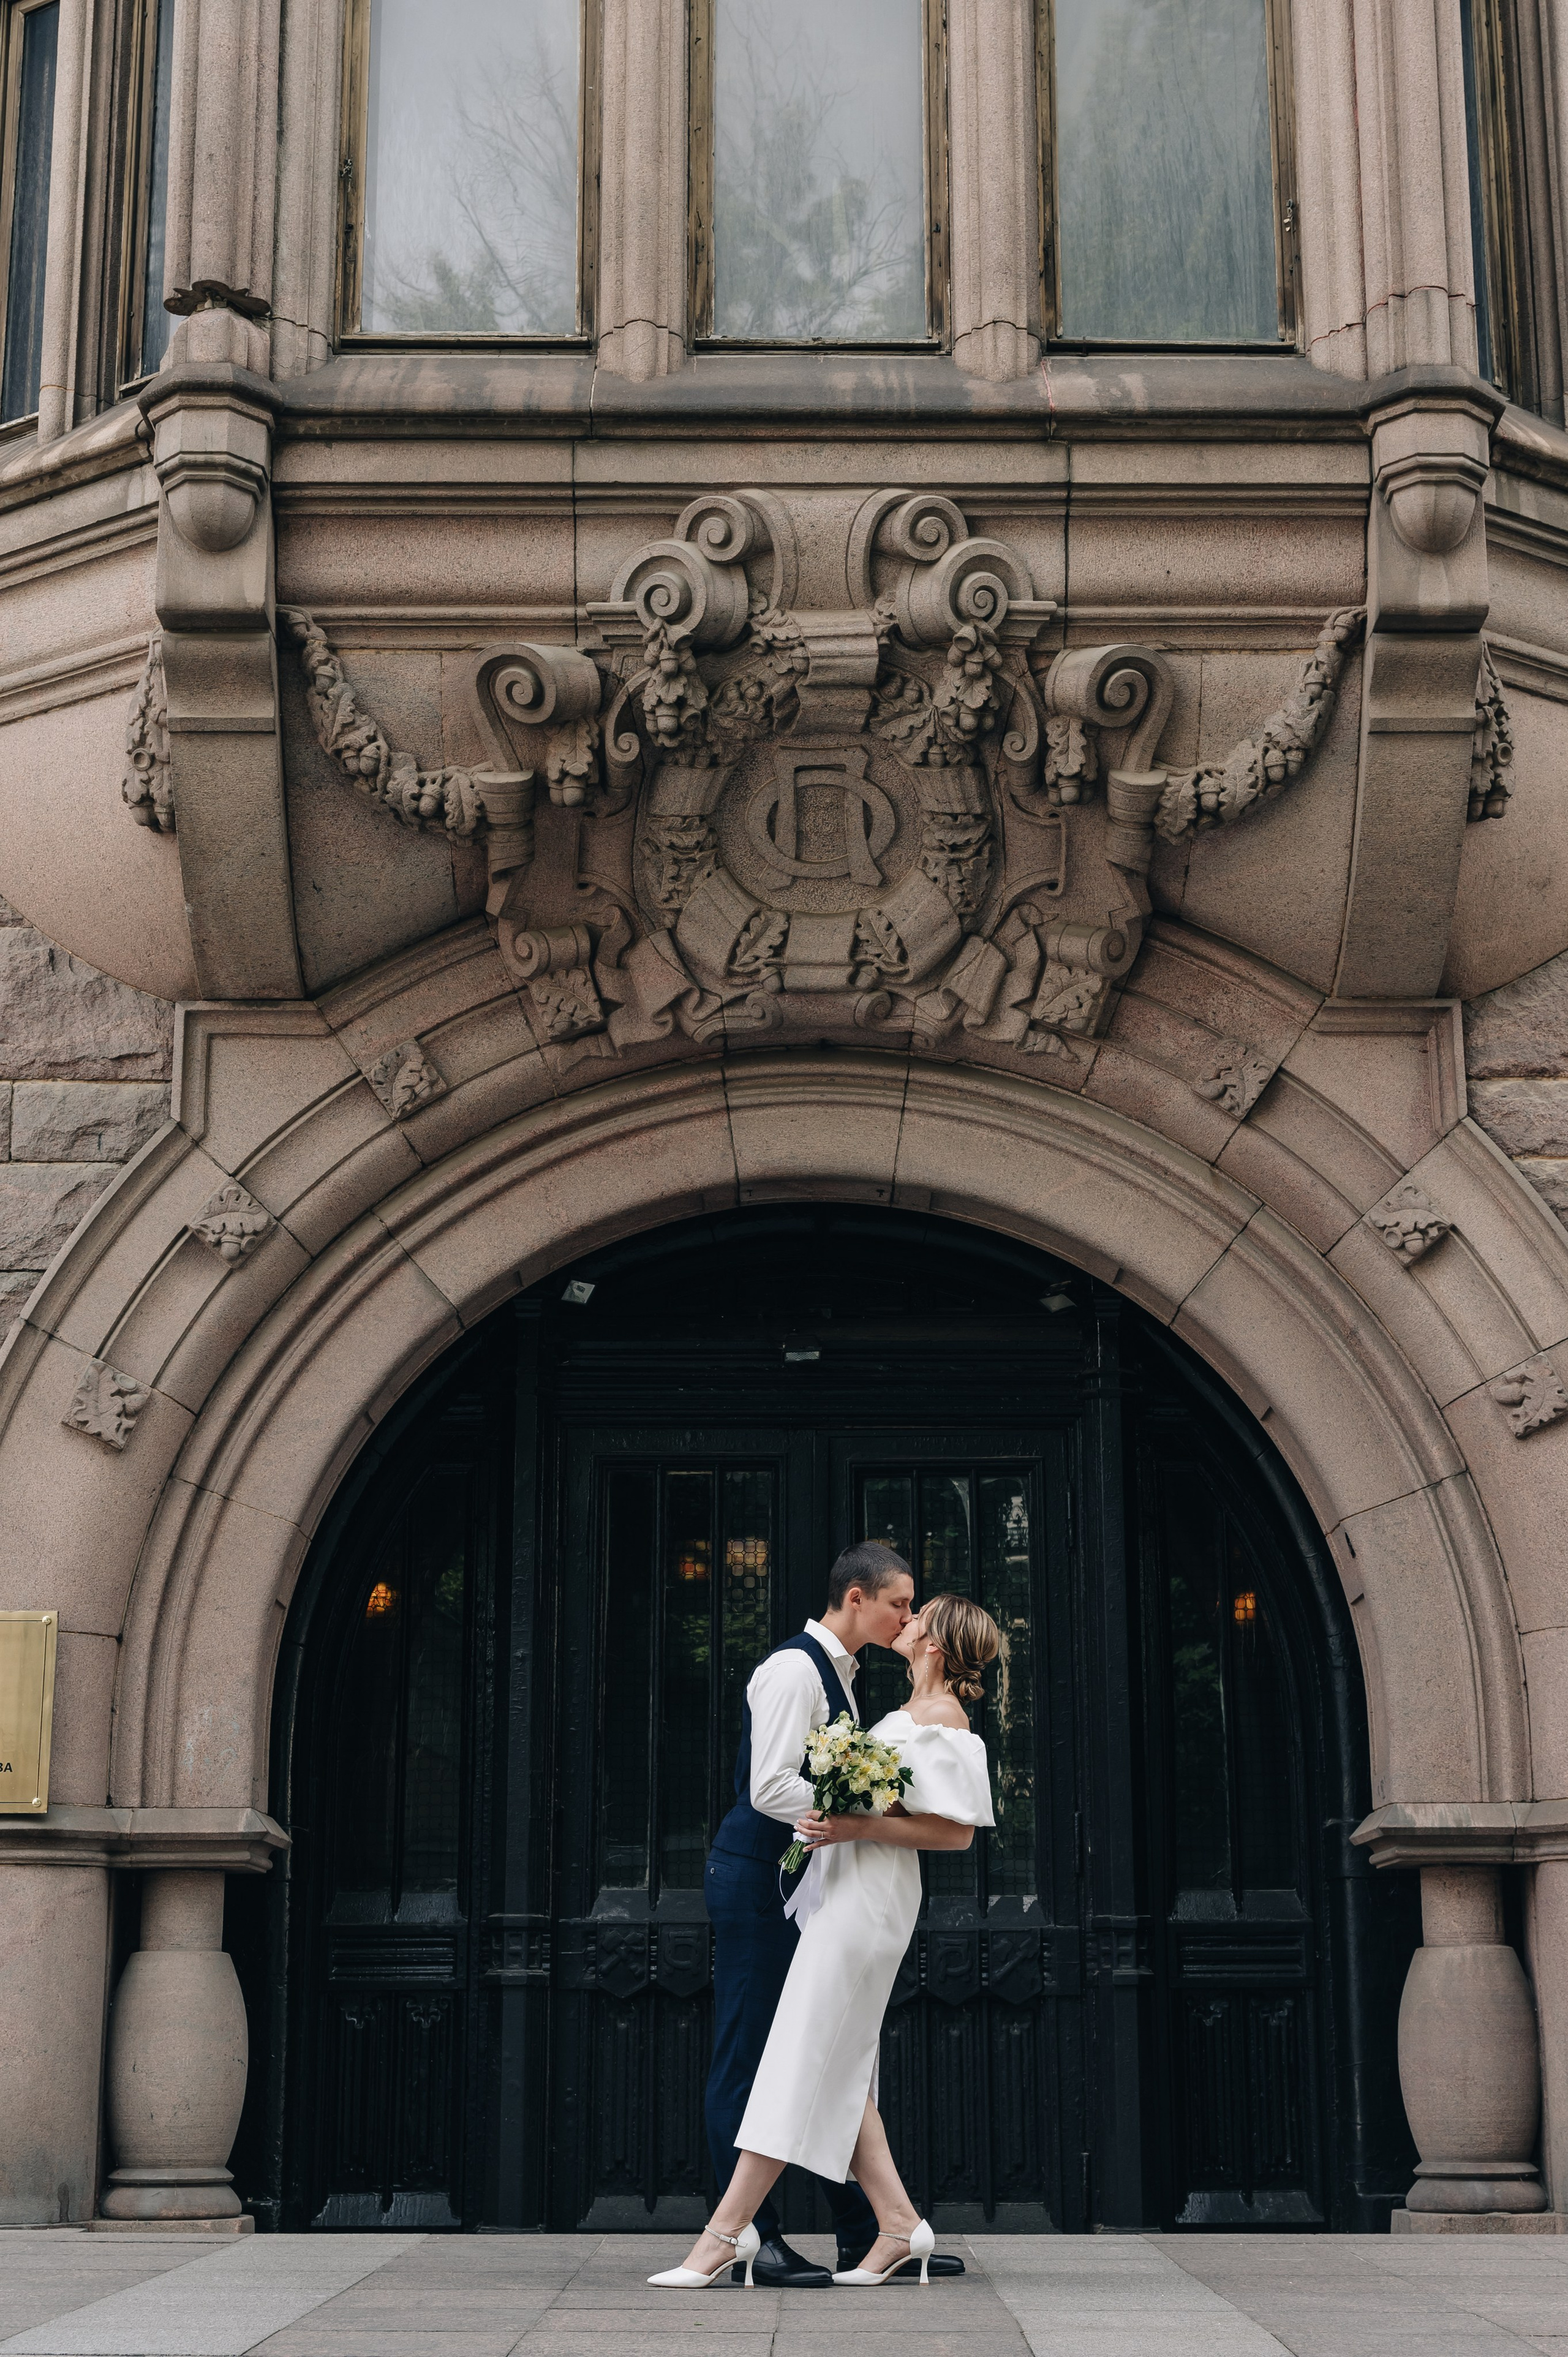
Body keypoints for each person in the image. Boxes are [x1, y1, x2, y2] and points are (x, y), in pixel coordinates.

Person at [654, 1590, 1000, 2291]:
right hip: (839, 1891)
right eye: (902, 1605)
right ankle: (899, 2224)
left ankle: (723, 2235)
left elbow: (956, 1831)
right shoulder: (901, 1710)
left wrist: (856, 1824)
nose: (906, 1620)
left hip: (868, 1902)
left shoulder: (943, 1717)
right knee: (838, 2068)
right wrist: (846, 1817)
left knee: (797, 2058)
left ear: (933, 1644)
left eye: (917, 1614)